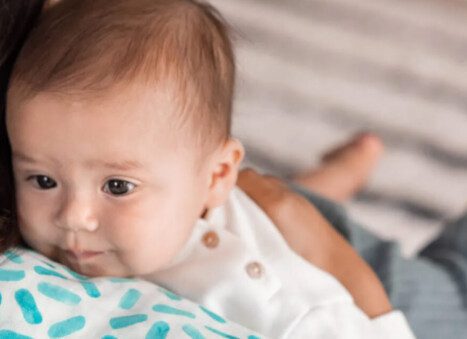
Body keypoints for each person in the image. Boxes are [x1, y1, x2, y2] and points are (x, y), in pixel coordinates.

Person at [2, 0, 415, 337]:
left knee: (294, 204)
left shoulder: (293, 314)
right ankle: (340, 172)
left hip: (318, 248)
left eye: (117, 186)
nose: (73, 216)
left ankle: (346, 170)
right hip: (258, 206)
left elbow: (380, 323)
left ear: (216, 176)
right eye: (43, 180)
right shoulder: (149, 195)